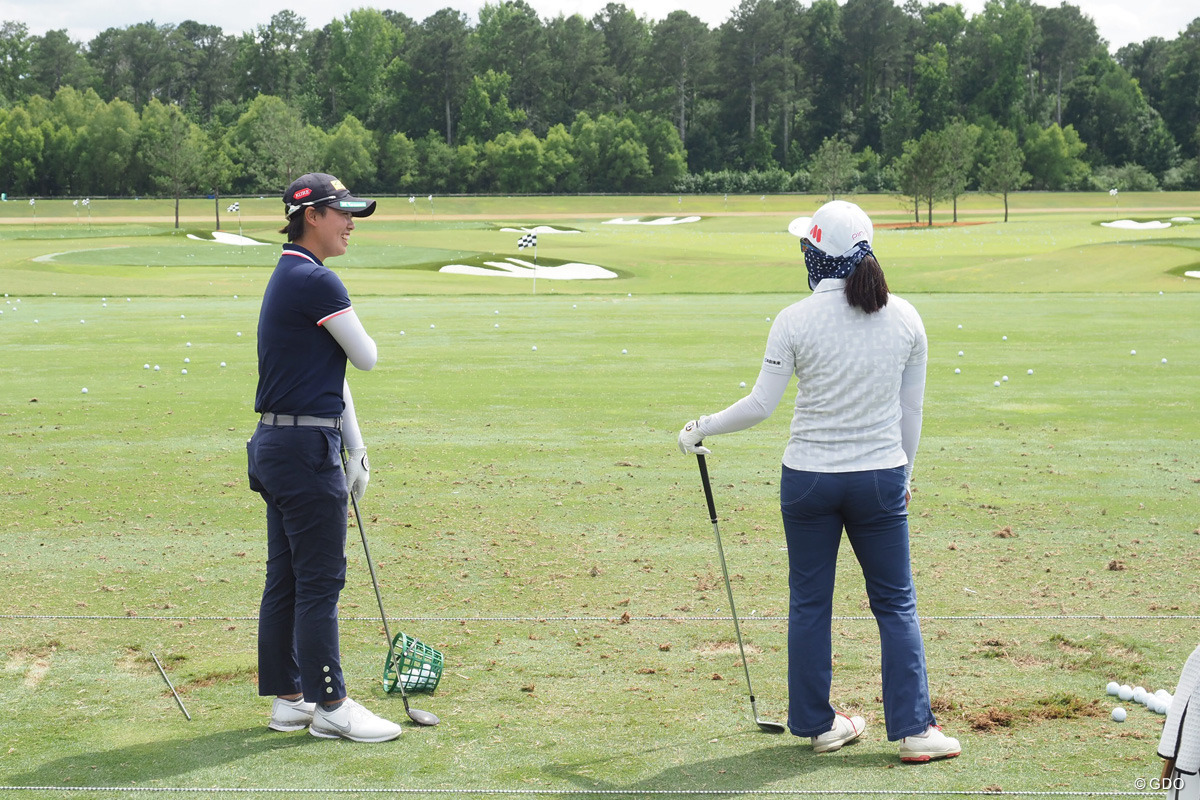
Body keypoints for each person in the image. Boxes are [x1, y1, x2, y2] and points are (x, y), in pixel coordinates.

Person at [677, 200, 960, 762]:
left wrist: (701, 427)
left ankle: (818, 724)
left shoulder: (794, 319)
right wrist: (907, 471)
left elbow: (761, 405)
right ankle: (913, 732)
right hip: (879, 477)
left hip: (807, 480)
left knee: (809, 603)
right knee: (896, 604)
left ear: (816, 251)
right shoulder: (906, 317)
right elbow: (913, 411)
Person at [247, 172, 402, 743]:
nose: (351, 223)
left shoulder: (288, 273)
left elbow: (331, 376)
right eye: (342, 213)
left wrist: (356, 447)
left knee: (286, 578)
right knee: (320, 581)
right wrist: (347, 448)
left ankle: (290, 700)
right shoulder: (316, 281)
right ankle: (331, 704)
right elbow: (364, 357)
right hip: (304, 450)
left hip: (277, 445)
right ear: (310, 215)